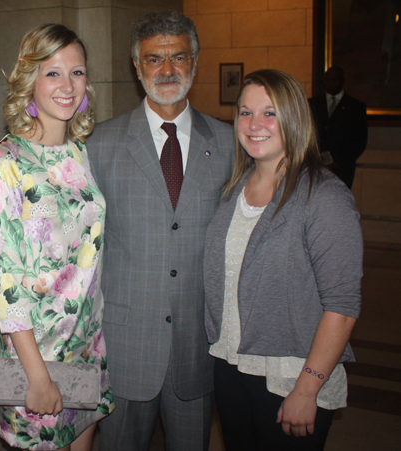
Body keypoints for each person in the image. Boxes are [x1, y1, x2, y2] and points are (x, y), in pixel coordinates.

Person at [87, 10, 234, 451]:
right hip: (126, 346)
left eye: (179, 57)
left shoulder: (229, 144)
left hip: (198, 348)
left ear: (195, 61)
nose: (167, 70)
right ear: (137, 67)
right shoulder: (99, 144)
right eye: (154, 60)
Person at [204, 69, 363, 450]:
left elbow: (341, 308)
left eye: (269, 113)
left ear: (293, 117)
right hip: (231, 365)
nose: (254, 124)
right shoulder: (234, 190)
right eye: (245, 112)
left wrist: (307, 389)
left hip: (288, 374)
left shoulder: (323, 198)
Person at [0, 23, 114, 451]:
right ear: (29, 79)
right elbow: (9, 284)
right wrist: (37, 376)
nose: (67, 85)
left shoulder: (82, 151)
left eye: (77, 72)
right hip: (37, 358)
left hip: (88, 348)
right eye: (52, 72)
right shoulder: (4, 164)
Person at [309, 66, 368, 189]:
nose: (330, 83)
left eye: (334, 80)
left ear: (342, 81)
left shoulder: (356, 107)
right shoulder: (312, 104)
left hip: (342, 169)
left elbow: (360, 141)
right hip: (316, 166)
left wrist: (339, 161)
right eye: (327, 80)